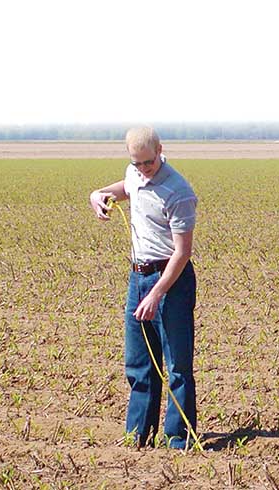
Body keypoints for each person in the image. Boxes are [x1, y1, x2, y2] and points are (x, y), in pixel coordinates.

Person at [89, 127, 198, 449]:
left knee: (177, 365)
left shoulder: (179, 192)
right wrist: (98, 194)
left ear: (160, 150)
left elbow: (182, 252)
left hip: (171, 281)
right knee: (139, 363)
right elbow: (126, 188)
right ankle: (137, 436)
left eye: (148, 163)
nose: (142, 169)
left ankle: (178, 439)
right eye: (136, 163)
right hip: (137, 276)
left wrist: (156, 294)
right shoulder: (134, 173)